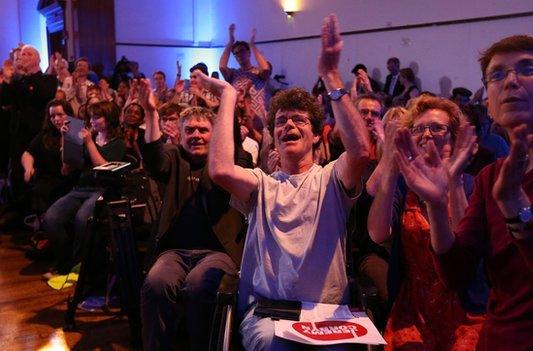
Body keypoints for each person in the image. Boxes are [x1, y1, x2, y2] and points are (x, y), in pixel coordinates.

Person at [394, 35, 533, 350]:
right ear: (489, 103)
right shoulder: (490, 177)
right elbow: (456, 275)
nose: (511, 81)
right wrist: (435, 203)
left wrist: (516, 205)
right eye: (497, 75)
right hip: (500, 338)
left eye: (527, 69)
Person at [209, 14, 370, 350]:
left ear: (315, 135)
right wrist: (228, 99)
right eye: (280, 121)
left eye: (299, 120)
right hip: (270, 316)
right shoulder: (262, 185)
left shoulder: (330, 179)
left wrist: (330, 76)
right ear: (274, 136)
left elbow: (361, 152)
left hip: (327, 317)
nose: (288, 125)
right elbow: (221, 170)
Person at [137, 77, 251, 351]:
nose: (196, 135)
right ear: (180, 134)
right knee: (155, 284)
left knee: (199, 286)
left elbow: (234, 146)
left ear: (215, 134)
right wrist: (151, 112)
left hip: (218, 253)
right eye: (190, 131)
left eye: (203, 130)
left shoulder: (228, 162)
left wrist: (227, 100)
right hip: (174, 252)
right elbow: (153, 157)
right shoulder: (174, 157)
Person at [368, 97, 482, 350]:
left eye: (436, 128)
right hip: (414, 304)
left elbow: (465, 245)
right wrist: (390, 166)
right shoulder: (402, 186)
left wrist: (453, 179)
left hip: (463, 303)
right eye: (418, 129)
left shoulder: (474, 184)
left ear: (453, 137)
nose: (426, 134)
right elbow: (377, 233)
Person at [41, 100, 126, 276]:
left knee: (82, 220)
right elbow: (66, 169)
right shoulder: (91, 137)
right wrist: (67, 139)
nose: (92, 121)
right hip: (81, 188)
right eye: (91, 117)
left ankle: (81, 267)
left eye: (97, 117)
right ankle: (65, 262)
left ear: (109, 119)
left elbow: (104, 168)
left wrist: (88, 142)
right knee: (51, 218)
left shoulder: (118, 142)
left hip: (102, 189)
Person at [0, 45, 58, 227]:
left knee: (36, 172)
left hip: (38, 134)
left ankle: (37, 214)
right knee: (17, 173)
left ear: (38, 59)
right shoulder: (18, 82)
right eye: (21, 54)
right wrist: (9, 78)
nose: (23, 57)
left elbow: (43, 94)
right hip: (17, 134)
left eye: (28, 54)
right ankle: (19, 212)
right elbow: (4, 100)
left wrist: (27, 77)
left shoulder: (48, 79)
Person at [219, 24, 271, 120]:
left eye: (242, 51)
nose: (239, 55)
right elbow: (222, 67)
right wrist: (230, 42)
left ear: (248, 52)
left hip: (258, 118)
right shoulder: (233, 74)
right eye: (236, 53)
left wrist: (252, 44)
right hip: (239, 118)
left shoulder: (257, 73)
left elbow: (265, 69)